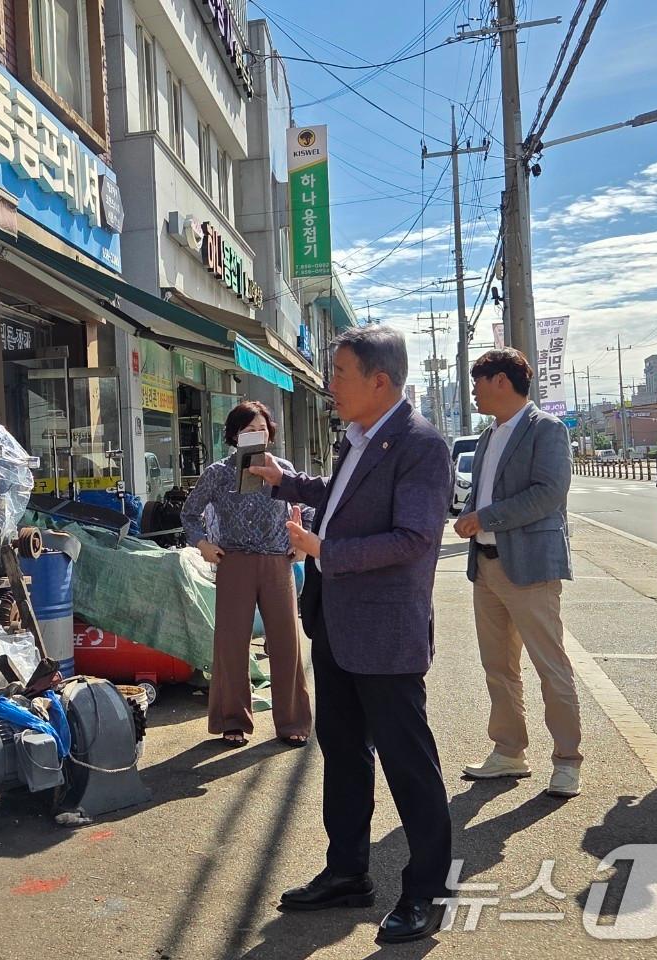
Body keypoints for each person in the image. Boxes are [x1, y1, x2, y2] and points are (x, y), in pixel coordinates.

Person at [250, 326, 453, 945]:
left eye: (339, 373)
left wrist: (323, 549)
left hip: (386, 634)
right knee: (342, 754)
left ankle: (424, 890)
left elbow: (414, 539)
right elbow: (339, 500)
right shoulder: (359, 439)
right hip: (336, 626)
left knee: (406, 761)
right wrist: (282, 479)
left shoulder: (421, 446)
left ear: (379, 381)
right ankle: (347, 872)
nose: (329, 384)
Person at [453, 348, 581, 798]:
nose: (474, 391)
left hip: (528, 565)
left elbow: (549, 493)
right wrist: (470, 514)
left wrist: (484, 518)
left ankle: (567, 760)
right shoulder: (489, 435)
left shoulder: (545, 429)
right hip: (486, 565)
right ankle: (509, 751)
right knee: (498, 666)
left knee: (551, 666)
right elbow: (484, 494)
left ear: (502, 382)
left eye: (478, 382)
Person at [180, 400, 312, 748]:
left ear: (270, 435)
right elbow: (189, 514)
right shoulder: (218, 473)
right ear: (234, 436)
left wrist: (303, 545)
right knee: (231, 643)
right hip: (233, 561)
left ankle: (293, 721)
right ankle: (232, 720)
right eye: (248, 430)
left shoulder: (282, 469)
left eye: (261, 430)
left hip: (277, 562)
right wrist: (203, 544)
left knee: (285, 643)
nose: (256, 436)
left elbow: (308, 511)